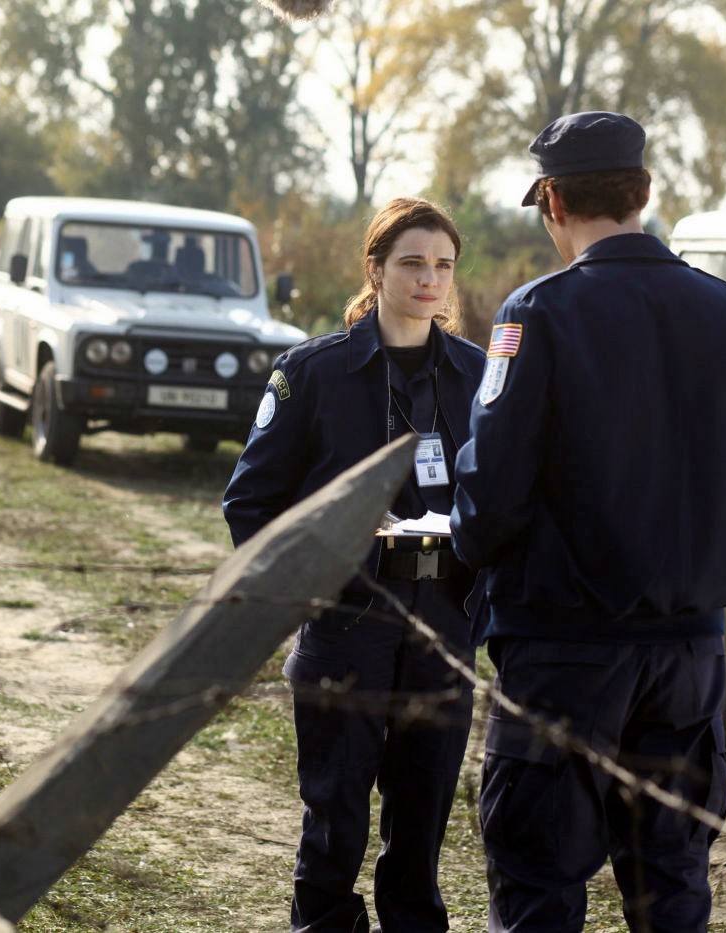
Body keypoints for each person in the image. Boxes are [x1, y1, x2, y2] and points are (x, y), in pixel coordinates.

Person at [450, 112, 726, 932]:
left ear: (553, 203)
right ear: (644, 192)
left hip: (562, 649)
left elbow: (490, 495)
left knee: (539, 880)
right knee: (672, 883)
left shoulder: (535, 314)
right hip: (688, 655)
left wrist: (470, 546)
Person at [223, 197, 486, 933]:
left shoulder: (477, 375)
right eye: (411, 263)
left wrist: (480, 600)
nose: (429, 279)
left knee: (423, 818)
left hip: (443, 622)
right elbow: (250, 502)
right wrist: (311, 582)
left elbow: (506, 498)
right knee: (335, 817)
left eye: (442, 266)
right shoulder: (313, 374)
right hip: (349, 620)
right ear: (375, 268)